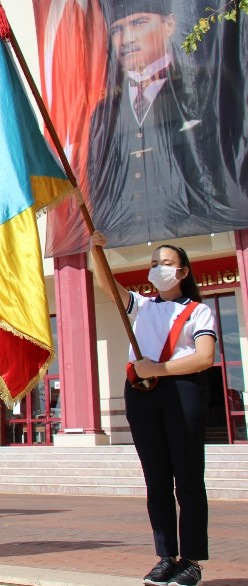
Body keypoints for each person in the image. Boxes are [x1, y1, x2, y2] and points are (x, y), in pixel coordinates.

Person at [87, 0, 248, 247]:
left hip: (203, 227)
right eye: (117, 29)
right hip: (126, 235)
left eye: (139, 22)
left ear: (169, 24)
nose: (126, 38)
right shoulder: (104, 111)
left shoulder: (206, 85)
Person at [92, 236, 216, 586]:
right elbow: (106, 283)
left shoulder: (198, 310)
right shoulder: (141, 306)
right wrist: (94, 247)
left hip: (183, 391)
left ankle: (190, 560)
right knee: (156, 480)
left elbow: (205, 357)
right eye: (154, 262)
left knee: (188, 479)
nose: (157, 268)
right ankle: (166, 557)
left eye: (165, 263)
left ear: (182, 271)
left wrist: (157, 370)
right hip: (142, 394)